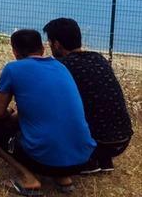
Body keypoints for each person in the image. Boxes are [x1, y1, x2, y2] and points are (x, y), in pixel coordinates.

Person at [0, 29, 95, 196]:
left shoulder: (14, 69)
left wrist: (8, 113)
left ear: (14, 51)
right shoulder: (61, 67)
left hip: (46, 160)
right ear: (43, 48)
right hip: (82, 159)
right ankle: (63, 179)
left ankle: (28, 179)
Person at [44, 18, 133, 173]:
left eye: (50, 43)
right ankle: (103, 160)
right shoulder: (98, 58)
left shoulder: (62, 67)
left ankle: (88, 161)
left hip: (95, 142)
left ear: (57, 44)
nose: (50, 47)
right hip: (123, 139)